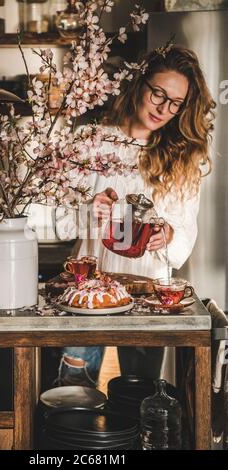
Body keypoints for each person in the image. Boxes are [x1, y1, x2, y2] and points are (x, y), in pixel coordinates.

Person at [48, 45, 215, 388]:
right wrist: (86, 212)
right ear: (140, 84)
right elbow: (53, 219)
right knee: (71, 390)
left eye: (175, 103)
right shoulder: (90, 142)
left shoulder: (182, 159)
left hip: (147, 294)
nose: (164, 109)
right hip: (86, 291)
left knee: (140, 396)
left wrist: (168, 234)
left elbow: (185, 235)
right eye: (158, 94)